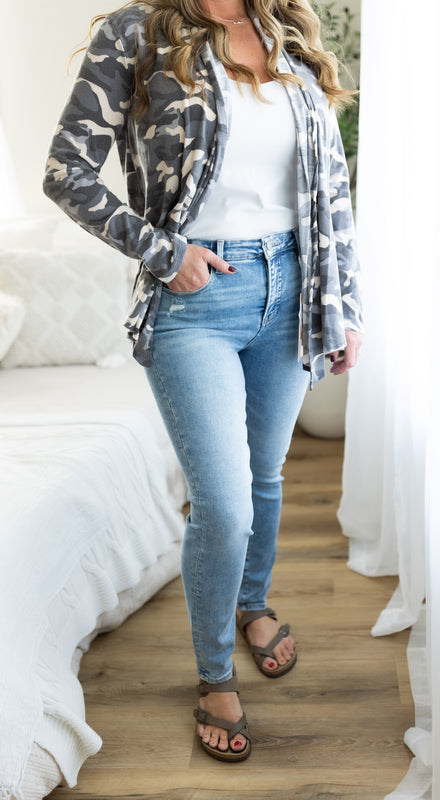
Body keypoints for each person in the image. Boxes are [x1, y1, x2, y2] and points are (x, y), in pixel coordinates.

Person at [43, 0, 364, 763]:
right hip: (195, 298)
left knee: (264, 477)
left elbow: (331, 187)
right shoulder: (136, 34)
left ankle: (252, 603)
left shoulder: (287, 31)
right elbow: (66, 171)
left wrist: (344, 306)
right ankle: (214, 674)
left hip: (292, 287)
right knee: (221, 504)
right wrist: (163, 252)